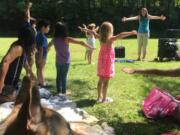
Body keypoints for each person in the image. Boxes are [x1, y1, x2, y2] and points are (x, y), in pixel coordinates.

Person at [79, 22, 137, 103]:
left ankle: (99, 97)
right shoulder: (111, 39)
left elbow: (91, 32)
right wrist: (131, 33)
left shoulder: (99, 37)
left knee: (100, 79)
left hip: (101, 61)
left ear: (102, 31)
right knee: (106, 81)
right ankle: (104, 99)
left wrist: (84, 29)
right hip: (108, 62)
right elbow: (121, 34)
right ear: (110, 31)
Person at [48, 22, 94, 96]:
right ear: (64, 30)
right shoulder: (67, 39)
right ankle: (63, 92)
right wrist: (91, 47)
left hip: (58, 61)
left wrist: (45, 51)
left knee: (58, 75)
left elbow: (48, 46)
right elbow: (81, 42)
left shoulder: (54, 39)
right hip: (66, 61)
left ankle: (58, 91)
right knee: (64, 76)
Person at [0, 26, 36, 100]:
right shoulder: (18, 48)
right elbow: (5, 62)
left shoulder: (22, 47)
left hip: (12, 84)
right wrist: (1, 82)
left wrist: (30, 73)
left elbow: (24, 61)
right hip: (7, 84)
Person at [35, 20, 50, 87]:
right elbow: (40, 48)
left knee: (39, 69)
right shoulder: (42, 37)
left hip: (38, 55)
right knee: (41, 69)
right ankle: (42, 83)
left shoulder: (38, 34)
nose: (49, 29)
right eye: (48, 27)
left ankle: (39, 82)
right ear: (43, 27)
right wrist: (40, 59)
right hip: (42, 56)